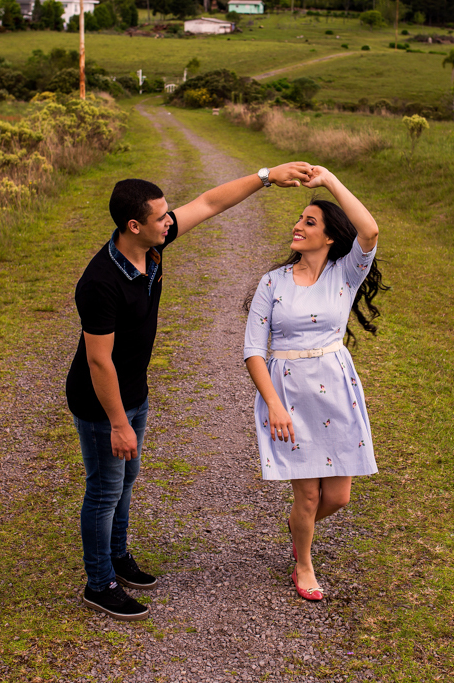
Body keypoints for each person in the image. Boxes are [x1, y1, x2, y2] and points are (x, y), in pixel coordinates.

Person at [66, 163, 313, 621]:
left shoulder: (149, 246)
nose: (170, 221)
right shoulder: (100, 282)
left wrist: (265, 176)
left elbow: (210, 202)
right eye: (162, 218)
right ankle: (98, 582)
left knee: (126, 481)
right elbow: (99, 361)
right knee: (104, 489)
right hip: (102, 401)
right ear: (134, 226)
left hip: (133, 390)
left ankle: (118, 557)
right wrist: (118, 423)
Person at [242, 165, 384, 601]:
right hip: (290, 395)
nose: (297, 226)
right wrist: (273, 406)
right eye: (299, 219)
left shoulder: (345, 274)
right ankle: (303, 564)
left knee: (338, 496)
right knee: (306, 495)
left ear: (330, 238)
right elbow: (253, 351)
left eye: (309, 222)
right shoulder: (273, 282)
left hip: (336, 389)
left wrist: (330, 181)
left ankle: (296, 526)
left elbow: (370, 229)